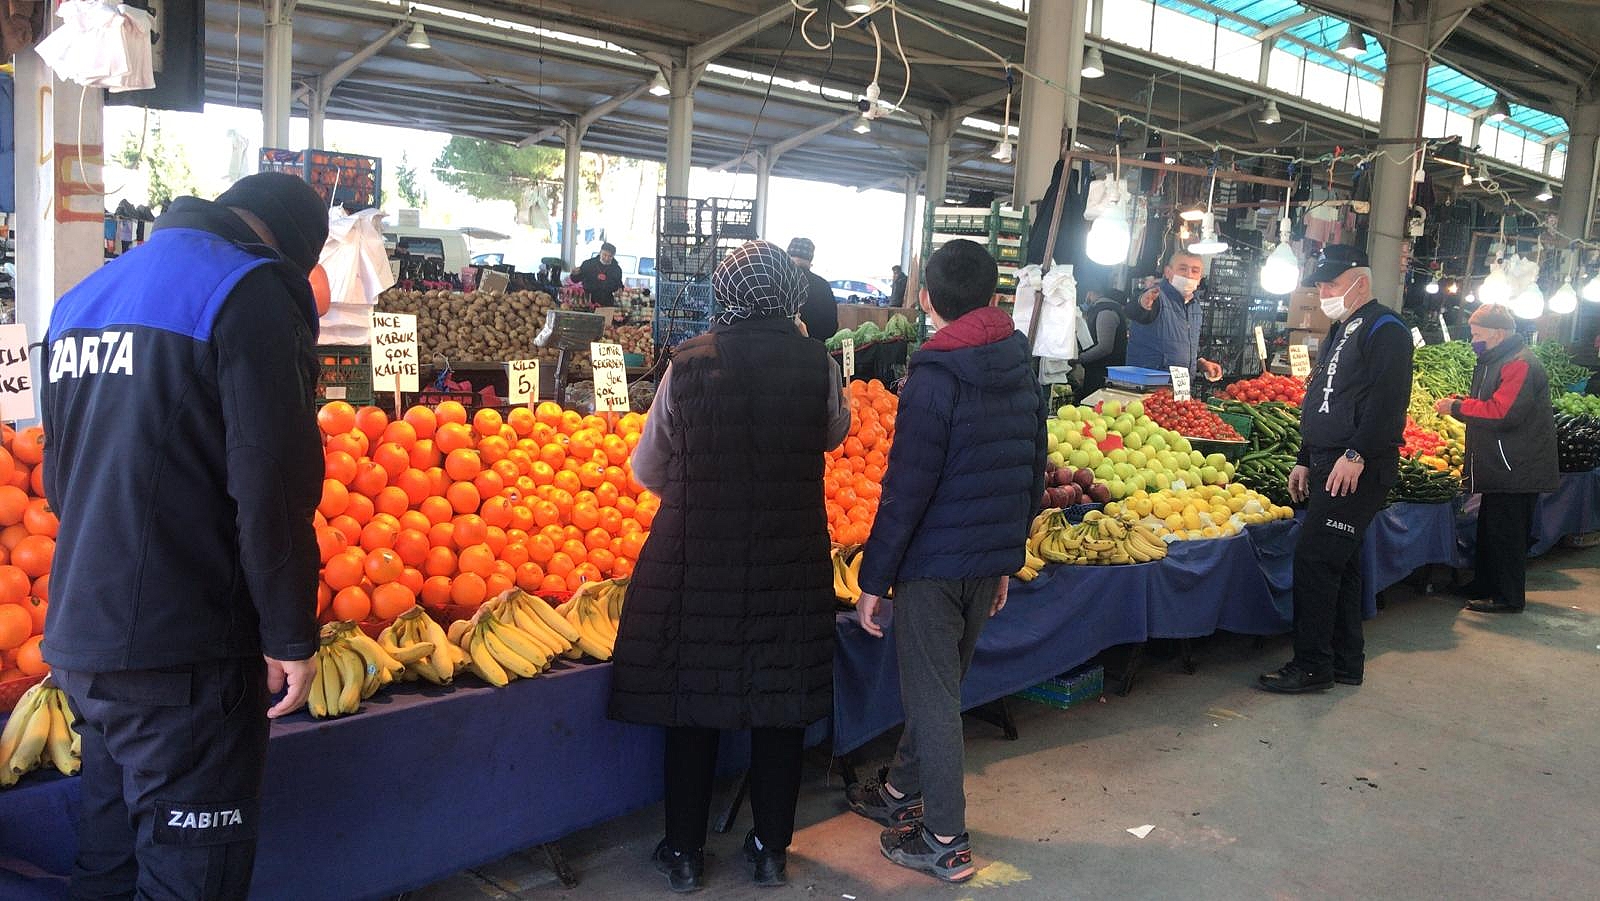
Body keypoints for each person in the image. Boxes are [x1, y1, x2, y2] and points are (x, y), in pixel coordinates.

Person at [40, 171, 328, 898]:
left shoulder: (82, 300)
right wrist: (290, 633)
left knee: (107, 868)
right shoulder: (247, 290)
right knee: (190, 881)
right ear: (286, 249)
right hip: (186, 656)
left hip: (85, 640)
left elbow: (59, 482)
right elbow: (270, 483)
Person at [609, 240, 850, 892]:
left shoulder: (689, 362)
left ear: (724, 294)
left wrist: (702, 486)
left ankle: (684, 852)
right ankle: (771, 849)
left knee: (693, 697)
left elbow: (647, 466)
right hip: (788, 557)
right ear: (791, 293)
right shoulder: (819, 364)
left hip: (696, 557)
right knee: (781, 703)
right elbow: (834, 433)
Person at [846, 239, 1048, 883]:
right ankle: (901, 791)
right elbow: (1032, 469)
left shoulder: (934, 376)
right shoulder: (1020, 364)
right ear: (994, 297)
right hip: (984, 558)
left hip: (933, 563)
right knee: (941, 688)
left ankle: (944, 838)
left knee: (932, 697)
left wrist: (875, 577)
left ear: (927, 299)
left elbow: (906, 487)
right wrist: (1006, 558)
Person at [1260, 246, 1412, 694]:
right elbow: (1323, 399)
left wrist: (1356, 454)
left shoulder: (1387, 329)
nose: (1324, 292)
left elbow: (1388, 402)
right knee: (1339, 564)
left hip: (1357, 465)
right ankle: (1345, 661)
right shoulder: (1341, 329)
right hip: (1330, 459)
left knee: (1315, 560)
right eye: (1322, 284)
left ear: (1360, 283)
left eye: (1333, 284)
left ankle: (1311, 666)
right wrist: (1306, 456)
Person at [1434, 304, 1559, 613]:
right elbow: (1491, 402)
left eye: (1477, 334)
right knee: (1491, 530)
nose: (1473, 340)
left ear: (1498, 334)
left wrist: (1457, 408)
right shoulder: (1496, 360)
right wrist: (1463, 402)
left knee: (1507, 535)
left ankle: (1508, 597)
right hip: (1501, 466)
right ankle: (1484, 585)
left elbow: (1503, 412)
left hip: (1515, 467)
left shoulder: (1519, 364)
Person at [1125, 250, 1223, 381]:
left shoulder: (1195, 306)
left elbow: (1183, 345)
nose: (1189, 274)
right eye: (1183, 269)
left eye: (1195, 271)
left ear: (1200, 278)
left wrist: (1200, 363)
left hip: (1178, 388)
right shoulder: (1156, 297)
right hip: (1147, 385)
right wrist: (1142, 302)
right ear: (1168, 272)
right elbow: (1134, 310)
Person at [1076, 287, 1130, 397]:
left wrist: (1078, 358)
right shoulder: (1103, 310)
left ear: (1090, 293)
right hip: (1099, 370)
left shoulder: (1106, 312)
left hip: (1104, 374)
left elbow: (1104, 348)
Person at [788, 237, 839, 341]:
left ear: (788, 257)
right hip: (815, 346)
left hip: (779, 346)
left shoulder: (778, 281)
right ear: (810, 259)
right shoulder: (823, 285)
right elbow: (831, 326)